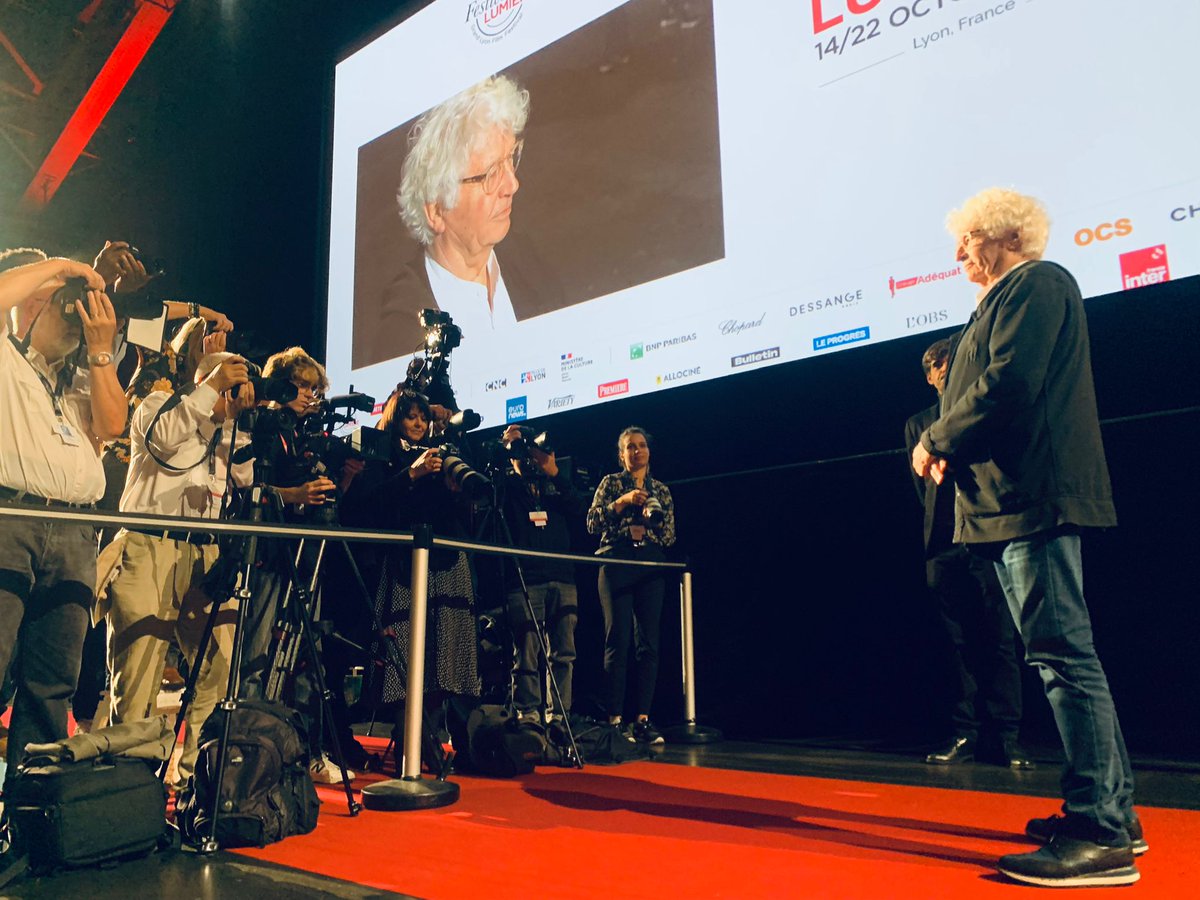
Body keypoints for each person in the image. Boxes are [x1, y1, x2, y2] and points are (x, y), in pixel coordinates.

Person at [912, 187, 1142, 887]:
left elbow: (1010, 383)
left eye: (968, 239)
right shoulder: (1005, 297)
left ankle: (1099, 832)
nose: (958, 253)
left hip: (1033, 498)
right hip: (1012, 503)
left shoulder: (1037, 283)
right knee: (1063, 654)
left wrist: (936, 436)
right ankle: (1115, 817)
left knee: (1063, 657)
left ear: (1007, 237)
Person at [101, 342, 255, 788]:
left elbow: (243, 478)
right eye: (227, 382)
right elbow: (167, 440)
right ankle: (126, 789)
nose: (231, 392)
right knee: (139, 669)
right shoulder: (157, 405)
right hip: (149, 542)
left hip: (206, 552)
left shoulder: (224, 427)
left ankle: (194, 781)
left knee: (219, 665)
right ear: (207, 379)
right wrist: (211, 392)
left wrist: (237, 424)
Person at [0, 252, 123, 779]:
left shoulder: (74, 380)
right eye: (62, 304)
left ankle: (32, 819)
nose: (75, 315)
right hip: (11, 521)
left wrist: (100, 352)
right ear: (30, 302)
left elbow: (114, 425)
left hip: (75, 532)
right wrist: (64, 265)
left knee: (53, 686)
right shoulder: (5, 356)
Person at [363, 74, 565, 366]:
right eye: (491, 173)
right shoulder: (402, 333)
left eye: (511, 159)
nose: (512, 185)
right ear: (436, 211)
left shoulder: (524, 260)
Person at [904, 338, 1028, 769]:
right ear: (929, 376)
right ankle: (964, 733)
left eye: (951, 362)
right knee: (954, 644)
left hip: (987, 536)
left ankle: (1006, 739)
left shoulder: (982, 411)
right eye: (938, 365)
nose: (946, 369)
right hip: (941, 545)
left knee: (1000, 640)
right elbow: (925, 482)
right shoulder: (919, 423)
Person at [346, 389, 480, 749]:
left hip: (447, 564)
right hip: (404, 565)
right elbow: (372, 507)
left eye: (423, 416)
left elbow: (456, 508)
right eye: (411, 416)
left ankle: (437, 731)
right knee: (409, 650)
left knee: (446, 648)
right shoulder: (382, 456)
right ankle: (410, 733)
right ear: (395, 419)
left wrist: (454, 488)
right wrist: (412, 474)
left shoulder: (442, 453)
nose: (419, 423)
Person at [496, 425, 587, 739]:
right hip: (526, 578)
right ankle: (529, 714)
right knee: (526, 653)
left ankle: (559, 717)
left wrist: (554, 472)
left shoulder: (556, 483)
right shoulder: (507, 486)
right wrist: (512, 455)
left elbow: (581, 511)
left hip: (562, 576)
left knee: (564, 654)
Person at [586, 426, 676, 744]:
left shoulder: (661, 490)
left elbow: (669, 538)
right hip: (616, 564)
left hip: (650, 565)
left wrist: (653, 519)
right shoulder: (611, 483)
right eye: (629, 447)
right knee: (617, 640)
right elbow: (591, 522)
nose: (636, 451)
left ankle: (643, 720)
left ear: (649, 452)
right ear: (621, 454)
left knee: (648, 644)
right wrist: (620, 504)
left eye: (641, 446)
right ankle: (614, 721)